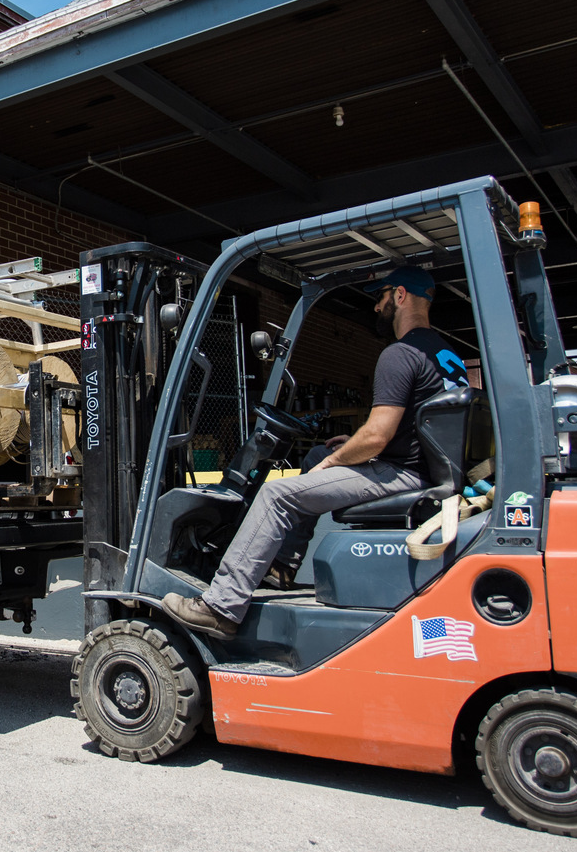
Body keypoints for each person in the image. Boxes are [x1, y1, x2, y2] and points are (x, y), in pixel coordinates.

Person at [162, 266, 468, 638]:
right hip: (424, 465)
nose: (377, 307)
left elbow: (377, 436)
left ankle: (222, 606)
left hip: (403, 472)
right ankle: (280, 567)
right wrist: (345, 445)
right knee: (310, 460)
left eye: (382, 296)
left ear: (400, 296)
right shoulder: (444, 354)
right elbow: (416, 422)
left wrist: (336, 459)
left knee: (277, 495)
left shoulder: (400, 354)